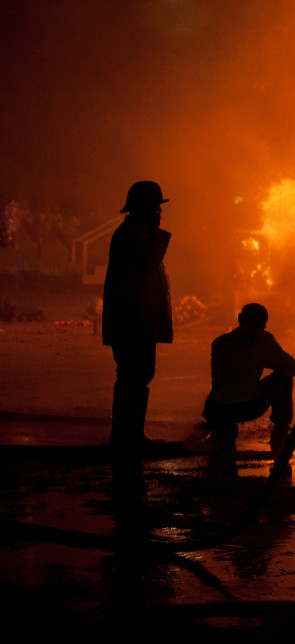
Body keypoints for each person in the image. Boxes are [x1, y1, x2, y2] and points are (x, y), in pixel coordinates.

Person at [102, 181, 173, 450]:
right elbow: (147, 265)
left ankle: (129, 434)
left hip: (137, 321)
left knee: (137, 376)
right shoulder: (132, 235)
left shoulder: (135, 233)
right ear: (144, 207)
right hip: (132, 322)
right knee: (133, 376)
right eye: (156, 207)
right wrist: (156, 235)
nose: (159, 213)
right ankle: (126, 436)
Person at [202, 303, 295, 455]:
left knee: (225, 387)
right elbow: (292, 368)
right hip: (246, 407)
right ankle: (280, 432)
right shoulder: (263, 340)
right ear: (264, 325)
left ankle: (217, 432)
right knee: (285, 378)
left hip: (215, 409)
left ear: (240, 318)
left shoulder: (219, 342)